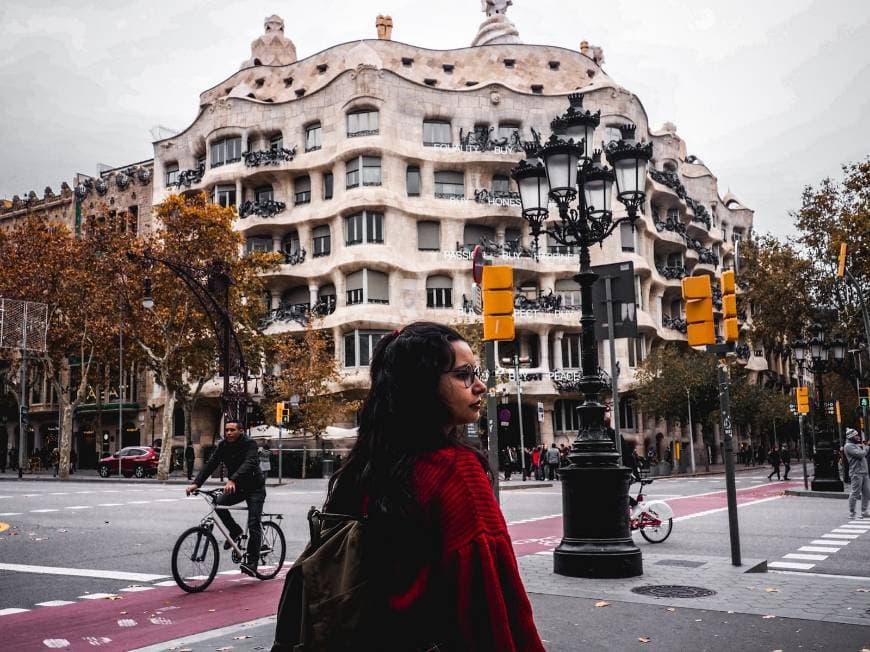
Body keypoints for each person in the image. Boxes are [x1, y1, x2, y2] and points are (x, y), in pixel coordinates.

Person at [305, 322, 544, 650]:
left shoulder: (365, 467)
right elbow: (494, 605)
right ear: (423, 386)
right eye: (463, 375)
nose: (479, 386)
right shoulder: (456, 472)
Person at [186, 420, 266, 577]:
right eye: (227, 430)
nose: (228, 433)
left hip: (255, 488)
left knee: (253, 523)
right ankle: (235, 532)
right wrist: (196, 483)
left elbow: (249, 463)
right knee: (218, 503)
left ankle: (253, 562)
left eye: (232, 430)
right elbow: (211, 464)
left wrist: (233, 479)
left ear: (241, 431)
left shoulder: (250, 444)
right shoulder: (223, 445)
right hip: (237, 487)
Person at [844, 428, 869, 519]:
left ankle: (864, 511)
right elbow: (861, 454)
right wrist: (867, 447)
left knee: (867, 492)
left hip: (864, 472)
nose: (858, 437)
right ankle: (852, 513)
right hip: (856, 473)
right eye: (856, 435)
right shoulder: (848, 446)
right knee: (855, 493)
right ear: (851, 437)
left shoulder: (854, 445)